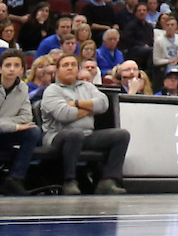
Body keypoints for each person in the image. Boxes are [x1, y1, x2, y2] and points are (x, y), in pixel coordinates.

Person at [40, 54, 130, 195]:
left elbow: (104, 104)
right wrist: (91, 109)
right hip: (57, 136)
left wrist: (76, 104)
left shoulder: (87, 86)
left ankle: (108, 181)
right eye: (65, 65)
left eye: (73, 65)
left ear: (78, 69)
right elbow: (65, 115)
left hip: (86, 135)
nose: (70, 68)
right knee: (75, 134)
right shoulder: (52, 90)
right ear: (57, 71)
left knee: (121, 135)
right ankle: (69, 181)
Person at [0, 49, 42, 195]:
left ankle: (14, 179)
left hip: (6, 132)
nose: (12, 69)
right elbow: (20, 121)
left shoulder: (23, 88)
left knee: (33, 132)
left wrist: (8, 125)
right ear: (0, 68)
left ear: (23, 69)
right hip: (9, 129)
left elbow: (26, 117)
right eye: (8, 65)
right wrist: (15, 125)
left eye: (17, 65)